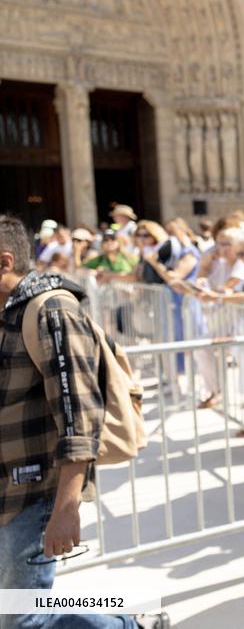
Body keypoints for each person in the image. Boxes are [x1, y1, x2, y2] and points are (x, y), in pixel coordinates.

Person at [0, 215, 167, 629]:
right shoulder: (9, 313)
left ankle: (129, 625)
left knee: (22, 620)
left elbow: (79, 415)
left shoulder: (51, 310)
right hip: (9, 489)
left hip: (37, 492)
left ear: (4, 262)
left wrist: (66, 507)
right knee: (20, 612)